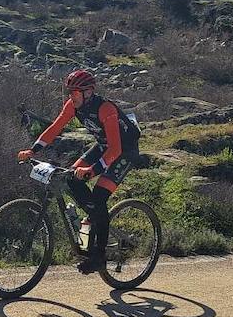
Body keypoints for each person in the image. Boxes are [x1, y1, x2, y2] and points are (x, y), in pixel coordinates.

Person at [17, 69, 142, 273]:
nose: (70, 96)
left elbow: (116, 149)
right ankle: (91, 220)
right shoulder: (73, 105)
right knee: (71, 178)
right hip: (103, 146)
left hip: (124, 151)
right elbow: (55, 128)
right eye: (69, 92)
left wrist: (92, 171)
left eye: (74, 93)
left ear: (88, 92)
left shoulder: (105, 109)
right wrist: (32, 150)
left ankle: (99, 257)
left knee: (99, 197)